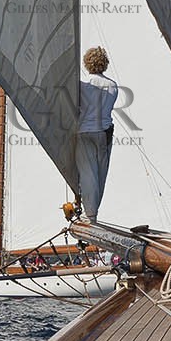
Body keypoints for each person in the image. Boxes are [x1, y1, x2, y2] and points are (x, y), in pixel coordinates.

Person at [76, 47, 118, 221]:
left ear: (87, 63)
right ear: (104, 63)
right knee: (101, 173)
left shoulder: (82, 84)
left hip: (84, 131)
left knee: (87, 172)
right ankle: (94, 212)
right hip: (104, 132)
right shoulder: (113, 85)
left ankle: (90, 214)